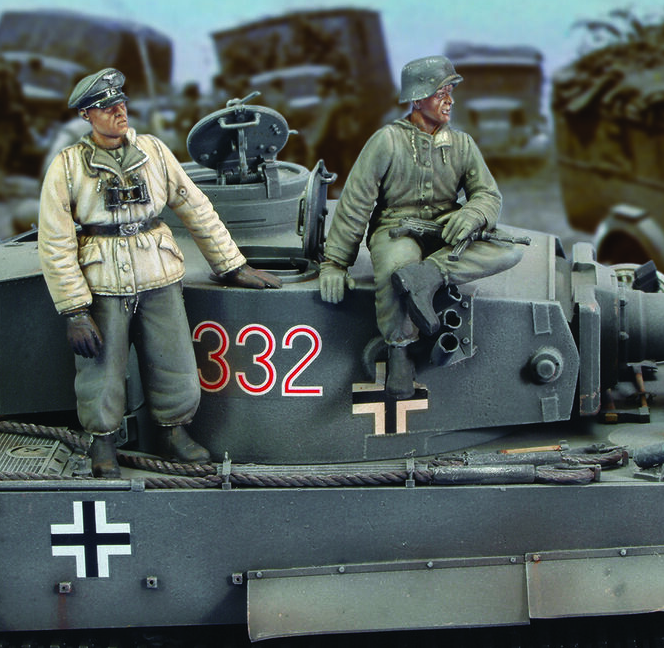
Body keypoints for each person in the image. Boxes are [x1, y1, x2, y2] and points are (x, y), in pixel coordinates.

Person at [38, 68, 281, 478]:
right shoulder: (67, 167)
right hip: (103, 280)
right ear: (86, 115)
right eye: (106, 107)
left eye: (121, 103)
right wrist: (74, 309)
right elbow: (55, 242)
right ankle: (103, 441)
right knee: (101, 368)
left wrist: (231, 265)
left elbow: (194, 206)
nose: (119, 112)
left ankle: (174, 432)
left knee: (175, 360)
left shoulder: (153, 151)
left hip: (158, 271)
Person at [319, 55, 523, 399]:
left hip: (445, 230)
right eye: (441, 93)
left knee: (509, 250)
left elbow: (488, 194)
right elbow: (355, 202)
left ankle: (428, 275)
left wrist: (473, 214)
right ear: (417, 99)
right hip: (397, 229)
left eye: (450, 92)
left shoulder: (462, 145)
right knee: (396, 268)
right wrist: (335, 263)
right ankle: (399, 352)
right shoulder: (386, 141)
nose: (450, 101)